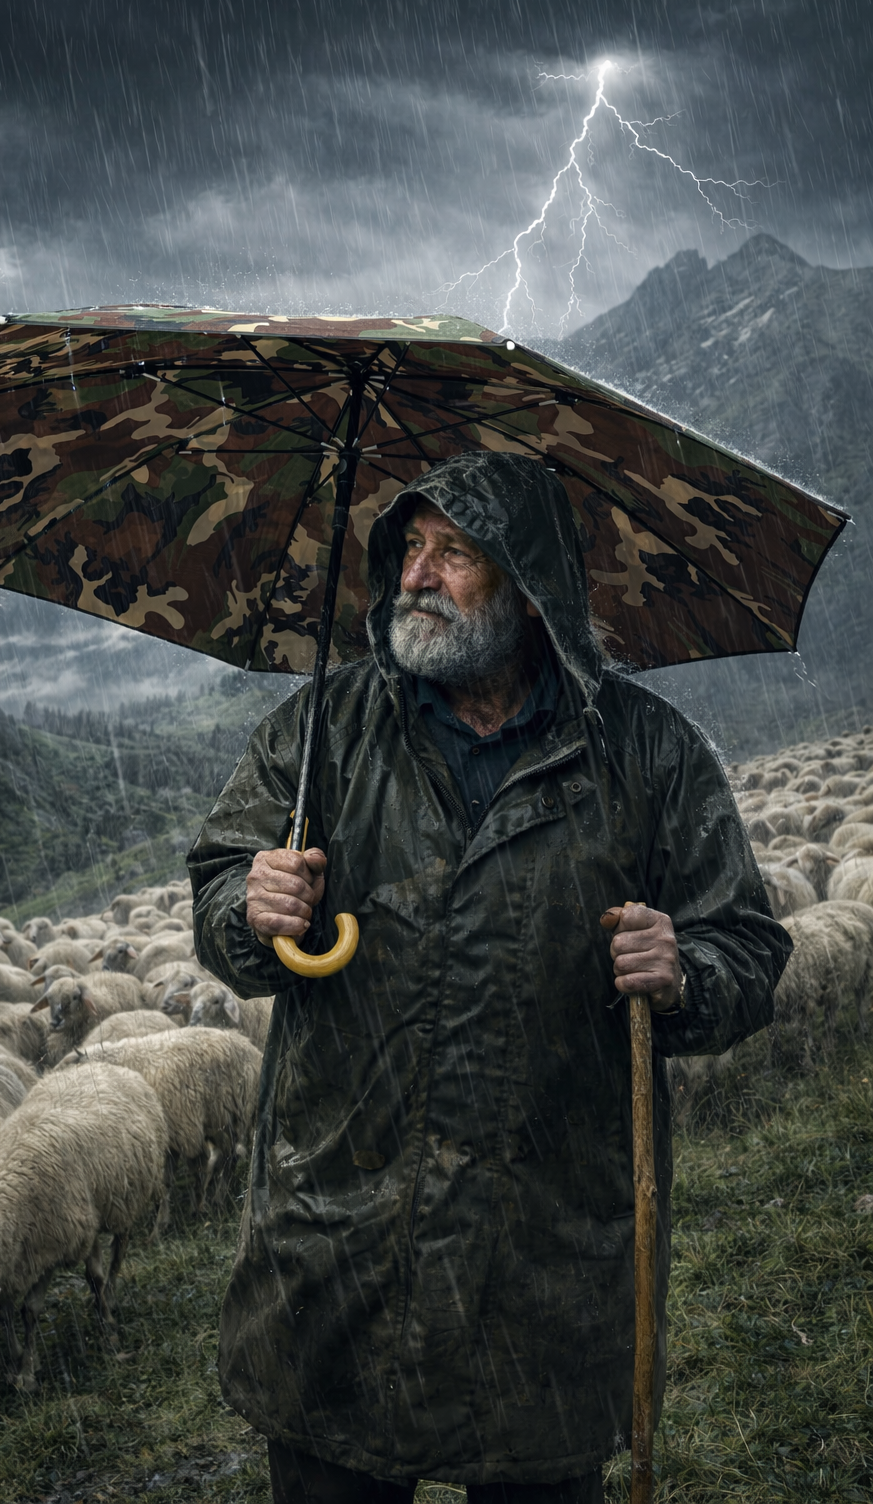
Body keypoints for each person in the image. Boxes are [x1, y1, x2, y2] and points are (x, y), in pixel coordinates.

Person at [189, 452, 791, 1503]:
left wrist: (684, 974)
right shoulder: (322, 732)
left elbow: (744, 944)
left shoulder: (646, 754)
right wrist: (249, 905)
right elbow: (217, 891)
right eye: (410, 548)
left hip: (543, 1269)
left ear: (529, 585)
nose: (417, 576)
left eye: (455, 553)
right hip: (339, 1248)